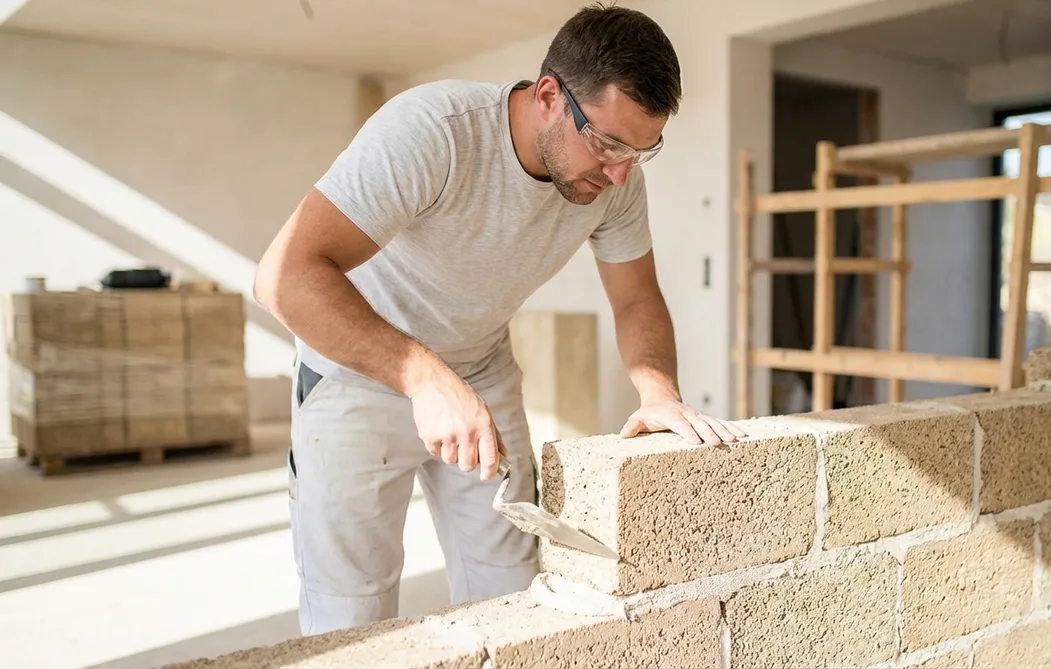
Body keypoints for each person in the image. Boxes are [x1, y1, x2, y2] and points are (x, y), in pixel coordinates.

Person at [253, 2, 745, 637]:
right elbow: (283, 277)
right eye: (607, 143)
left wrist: (659, 393)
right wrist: (425, 379)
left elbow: (637, 299)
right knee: (351, 614)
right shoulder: (433, 131)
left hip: (480, 373)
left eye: (642, 152)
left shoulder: (616, 182)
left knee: (512, 597)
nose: (620, 171)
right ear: (548, 95)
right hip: (354, 377)